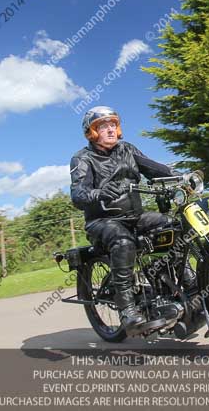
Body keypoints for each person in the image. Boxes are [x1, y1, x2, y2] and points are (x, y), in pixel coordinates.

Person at [69, 106, 194, 335]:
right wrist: (99, 193)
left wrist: (182, 178)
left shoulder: (127, 149)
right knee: (123, 242)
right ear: (92, 132)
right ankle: (127, 308)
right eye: (103, 126)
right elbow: (78, 194)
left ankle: (188, 286)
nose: (110, 129)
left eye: (113, 124)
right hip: (102, 221)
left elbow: (153, 169)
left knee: (172, 226)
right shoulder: (82, 158)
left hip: (135, 216)